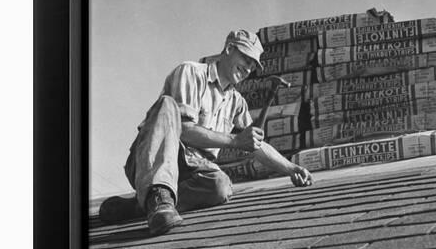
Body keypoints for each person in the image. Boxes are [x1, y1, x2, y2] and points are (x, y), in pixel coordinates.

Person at [99, 29, 313, 236]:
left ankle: (145, 205)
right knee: (167, 105)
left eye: (253, 65)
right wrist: (235, 140)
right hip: (153, 158)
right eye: (246, 59)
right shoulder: (190, 73)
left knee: (220, 186)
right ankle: (157, 193)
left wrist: (291, 168)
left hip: (191, 171)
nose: (248, 69)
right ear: (229, 49)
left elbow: (255, 144)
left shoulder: (237, 103)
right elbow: (184, 131)